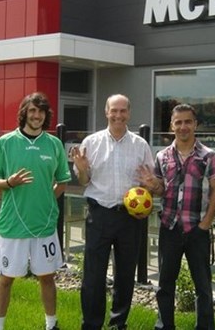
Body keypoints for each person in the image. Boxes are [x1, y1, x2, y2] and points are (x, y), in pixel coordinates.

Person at [69, 94, 154, 330]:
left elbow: (149, 182)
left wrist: (149, 183)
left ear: (129, 113)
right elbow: (85, 181)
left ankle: (119, 323)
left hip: (130, 217)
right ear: (106, 112)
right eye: (113, 110)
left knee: (126, 274)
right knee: (93, 275)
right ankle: (92, 324)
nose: (118, 115)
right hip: (99, 215)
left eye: (123, 111)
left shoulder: (140, 145)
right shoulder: (92, 142)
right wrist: (82, 170)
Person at [0, 92, 71, 330]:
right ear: (24, 112)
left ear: (46, 115)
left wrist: (45, 199)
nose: (37, 115)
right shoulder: (6, 142)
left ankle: (51, 324)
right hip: (13, 225)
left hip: (44, 225)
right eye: (32, 110)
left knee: (47, 277)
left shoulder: (54, 144)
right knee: (6, 279)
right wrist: (9, 183)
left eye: (41, 111)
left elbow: (62, 181)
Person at [139, 103, 215, 330]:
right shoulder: (162, 156)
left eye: (188, 122)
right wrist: (151, 185)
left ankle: (205, 327)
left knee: (203, 286)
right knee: (165, 284)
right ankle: (165, 326)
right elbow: (159, 189)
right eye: (178, 122)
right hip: (170, 227)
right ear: (171, 126)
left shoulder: (208, 156)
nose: (183, 126)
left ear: (195, 124)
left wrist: (206, 223)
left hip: (197, 229)